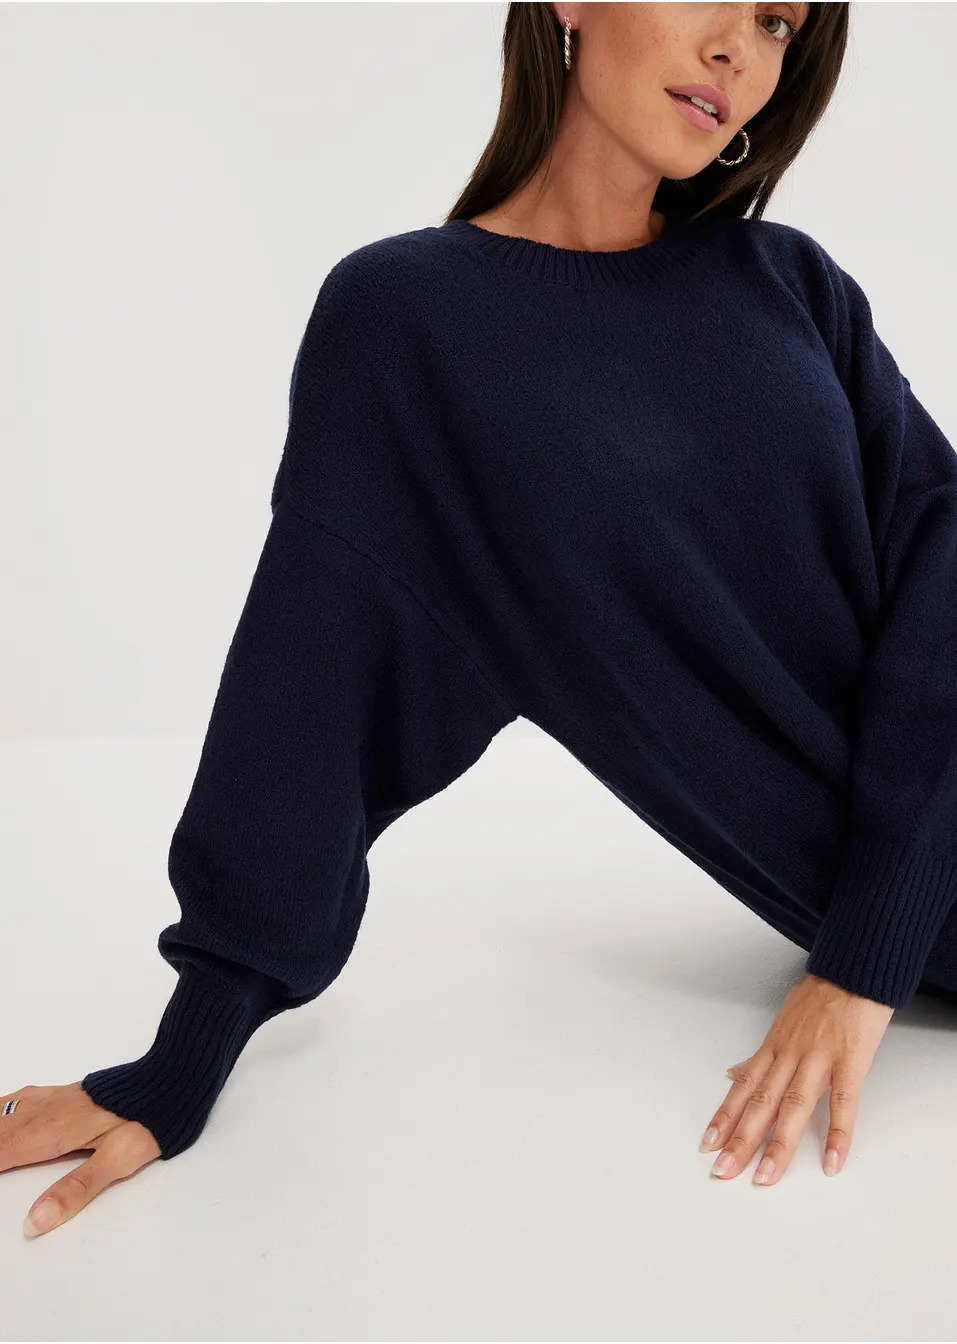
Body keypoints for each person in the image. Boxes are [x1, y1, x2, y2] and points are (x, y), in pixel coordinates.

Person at [7, 1, 956, 1236]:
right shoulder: (410, 326)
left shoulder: (791, 283)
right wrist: (183, 1058)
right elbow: (313, 693)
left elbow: (942, 558)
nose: (741, 45)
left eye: (781, 19)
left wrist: (861, 956)